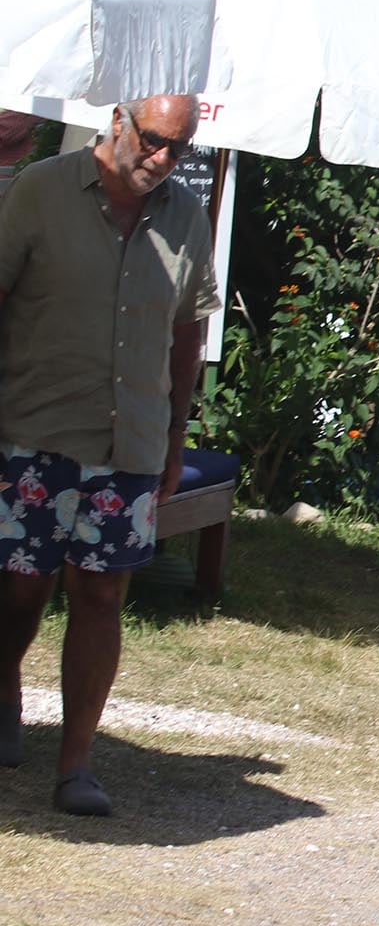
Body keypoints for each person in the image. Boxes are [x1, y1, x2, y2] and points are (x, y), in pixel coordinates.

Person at [0, 95, 219, 816]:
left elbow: (187, 333)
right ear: (118, 120)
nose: (162, 159)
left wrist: (175, 433)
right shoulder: (42, 190)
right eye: (153, 141)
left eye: (178, 148)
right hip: (34, 428)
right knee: (21, 589)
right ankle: (5, 693)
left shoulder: (186, 215)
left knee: (101, 595)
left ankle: (76, 765)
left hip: (131, 438)